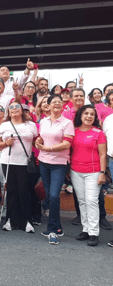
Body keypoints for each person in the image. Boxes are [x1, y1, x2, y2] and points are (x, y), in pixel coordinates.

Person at [35, 95, 74, 245]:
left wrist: (47, 148)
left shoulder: (67, 122)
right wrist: (39, 141)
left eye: (60, 102)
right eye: (54, 102)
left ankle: (52, 230)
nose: (57, 104)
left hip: (59, 163)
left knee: (54, 196)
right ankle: (57, 227)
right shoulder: (43, 121)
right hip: (44, 162)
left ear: (63, 106)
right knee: (49, 195)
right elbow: (41, 137)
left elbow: (66, 144)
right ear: (49, 105)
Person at [0, 102, 38, 233]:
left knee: (24, 191)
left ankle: (26, 221)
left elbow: (37, 140)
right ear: (8, 112)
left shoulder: (30, 125)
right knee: (12, 191)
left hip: (25, 162)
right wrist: (5, 143)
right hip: (8, 161)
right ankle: (10, 220)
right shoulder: (4, 125)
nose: (14, 109)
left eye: (17, 107)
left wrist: (40, 142)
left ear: (22, 111)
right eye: (11, 108)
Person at [69, 105, 107, 247]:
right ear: (80, 115)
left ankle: (93, 233)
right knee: (82, 201)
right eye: (86, 113)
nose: (89, 116)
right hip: (75, 171)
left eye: (92, 114)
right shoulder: (74, 132)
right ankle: (85, 229)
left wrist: (102, 173)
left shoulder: (98, 133)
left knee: (91, 201)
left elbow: (103, 154)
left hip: (94, 171)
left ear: (95, 117)